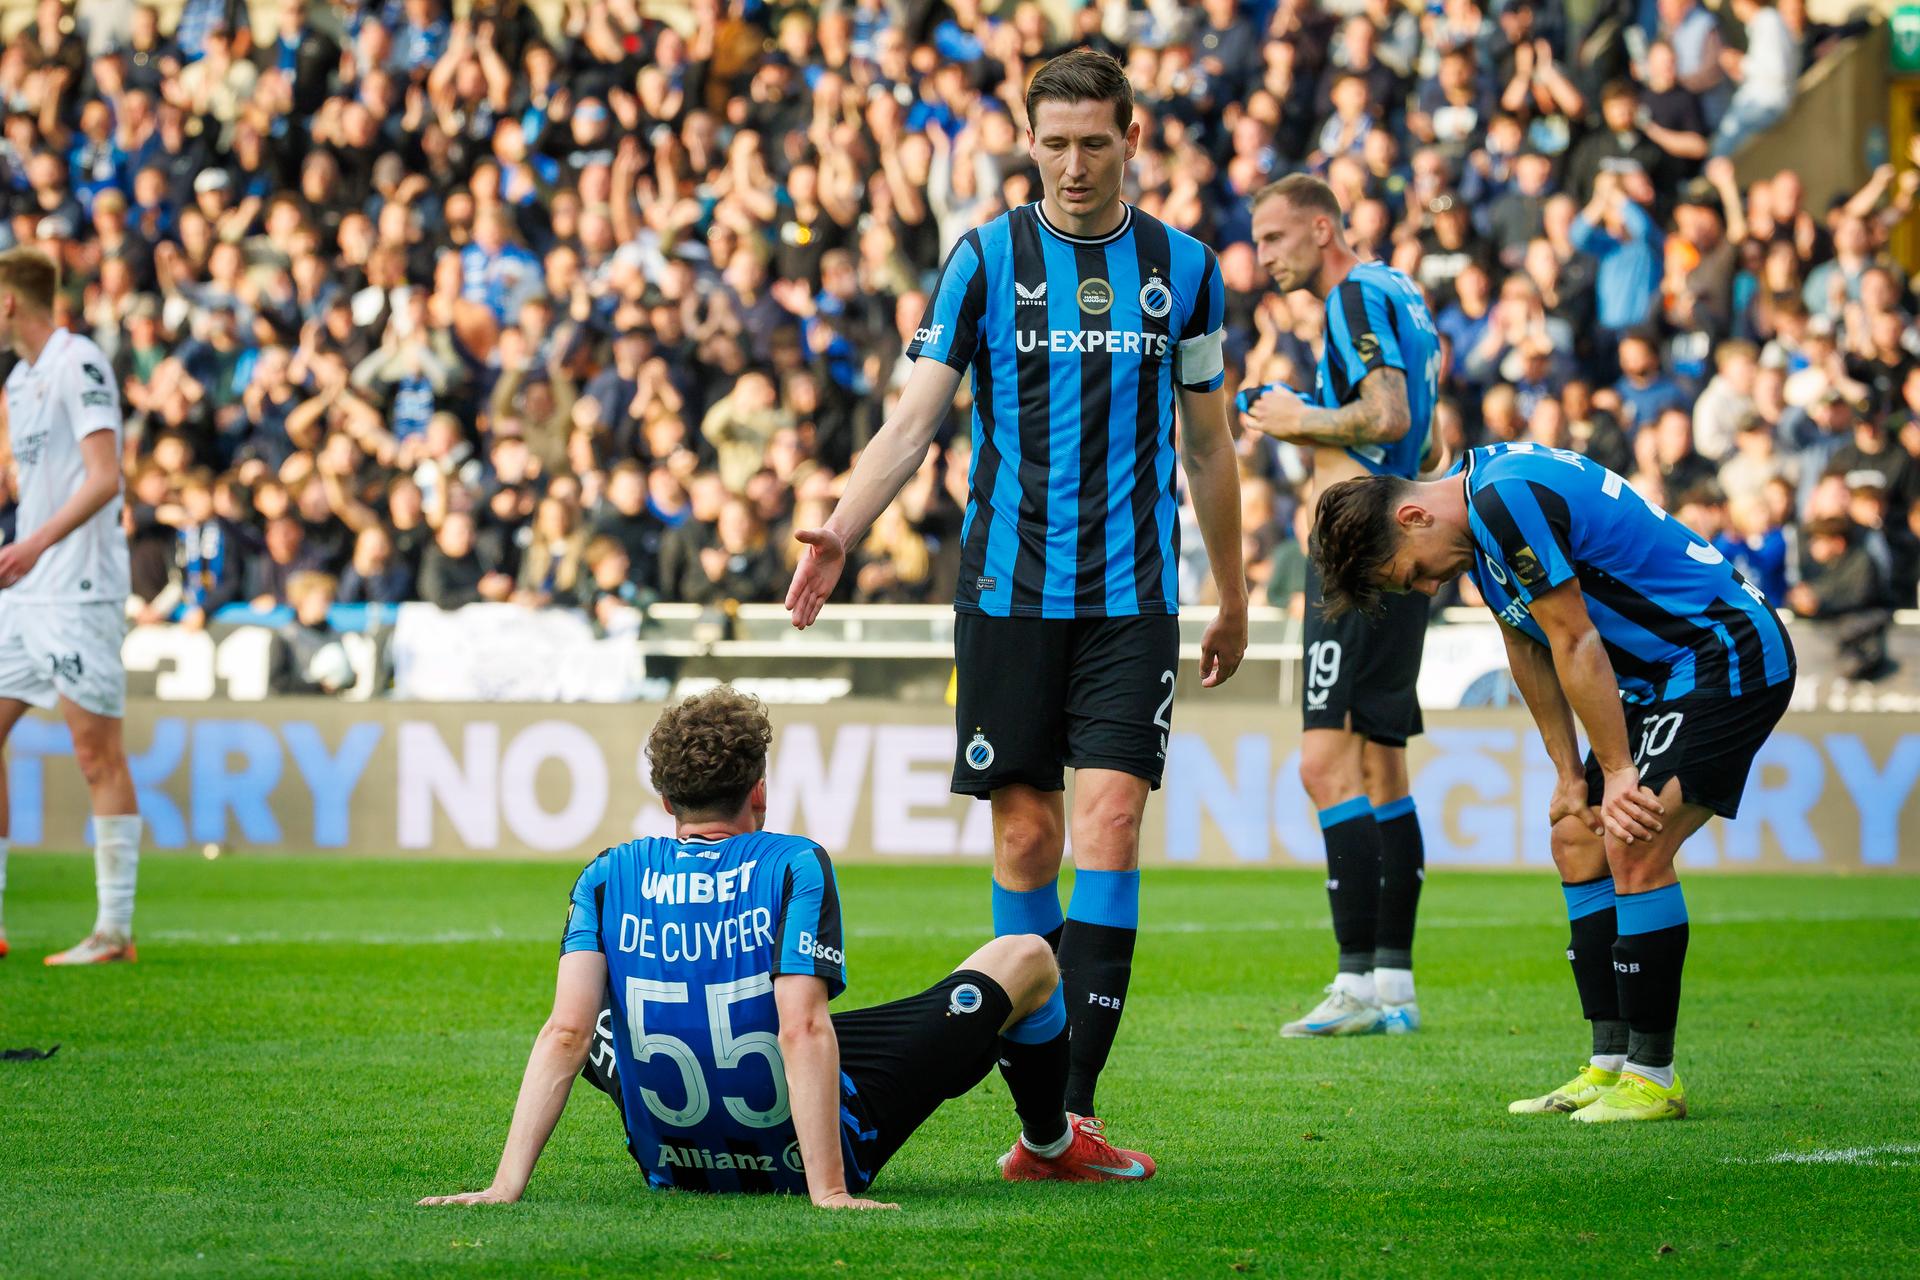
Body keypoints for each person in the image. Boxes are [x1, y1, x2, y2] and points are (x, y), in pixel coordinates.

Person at [785, 49, 1248, 1129]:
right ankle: (1041, 1111)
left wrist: (1229, 592)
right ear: (1027, 140)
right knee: (1027, 839)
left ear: (1133, 140)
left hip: (1132, 596)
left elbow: (1212, 448)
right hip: (1006, 591)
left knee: (1114, 819)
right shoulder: (984, 259)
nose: (1074, 166)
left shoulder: (1185, 269)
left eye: (1095, 143)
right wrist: (845, 529)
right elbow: (914, 421)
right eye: (1054, 144)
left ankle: (1074, 1107)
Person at [419, 689, 1154, 1210]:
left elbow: (567, 1032)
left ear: (666, 801)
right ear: (760, 793)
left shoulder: (605, 872)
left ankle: (669, 1137)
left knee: (603, 1008)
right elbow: (801, 1027)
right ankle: (1051, 1145)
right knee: (1025, 954)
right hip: (799, 1147)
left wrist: (503, 1186)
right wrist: (828, 1191)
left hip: (672, 1164)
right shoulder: (794, 861)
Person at [1308, 441, 1797, 1121]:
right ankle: (1609, 1065)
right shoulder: (1476, 526)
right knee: (1576, 833)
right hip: (1654, 679)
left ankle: (1655, 1078)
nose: (1426, 587)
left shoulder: (1505, 499)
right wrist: (1570, 773)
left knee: (1632, 836)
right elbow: (1526, 643)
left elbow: (1574, 640)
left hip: (1721, 653)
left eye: (1413, 572)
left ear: (1415, 516)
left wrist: (1620, 772)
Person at [1238, 174, 1443, 1037]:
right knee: (1381, 766)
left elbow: (1385, 413)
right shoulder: (1402, 289)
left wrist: (1295, 418)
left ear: (1322, 227)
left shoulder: (1353, 294)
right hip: (1403, 539)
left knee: (1325, 765)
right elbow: (1426, 434)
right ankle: (1393, 986)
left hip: (1356, 554)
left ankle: (1356, 982)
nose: (1265, 257)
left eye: (1277, 238)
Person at [0, 248, 143, 964]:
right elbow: (28, 482)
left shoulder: (76, 360)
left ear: (8, 303)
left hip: (77, 583)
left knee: (96, 753)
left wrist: (34, 545)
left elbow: (104, 479)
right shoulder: (20, 382)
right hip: (26, 588)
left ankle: (114, 930)